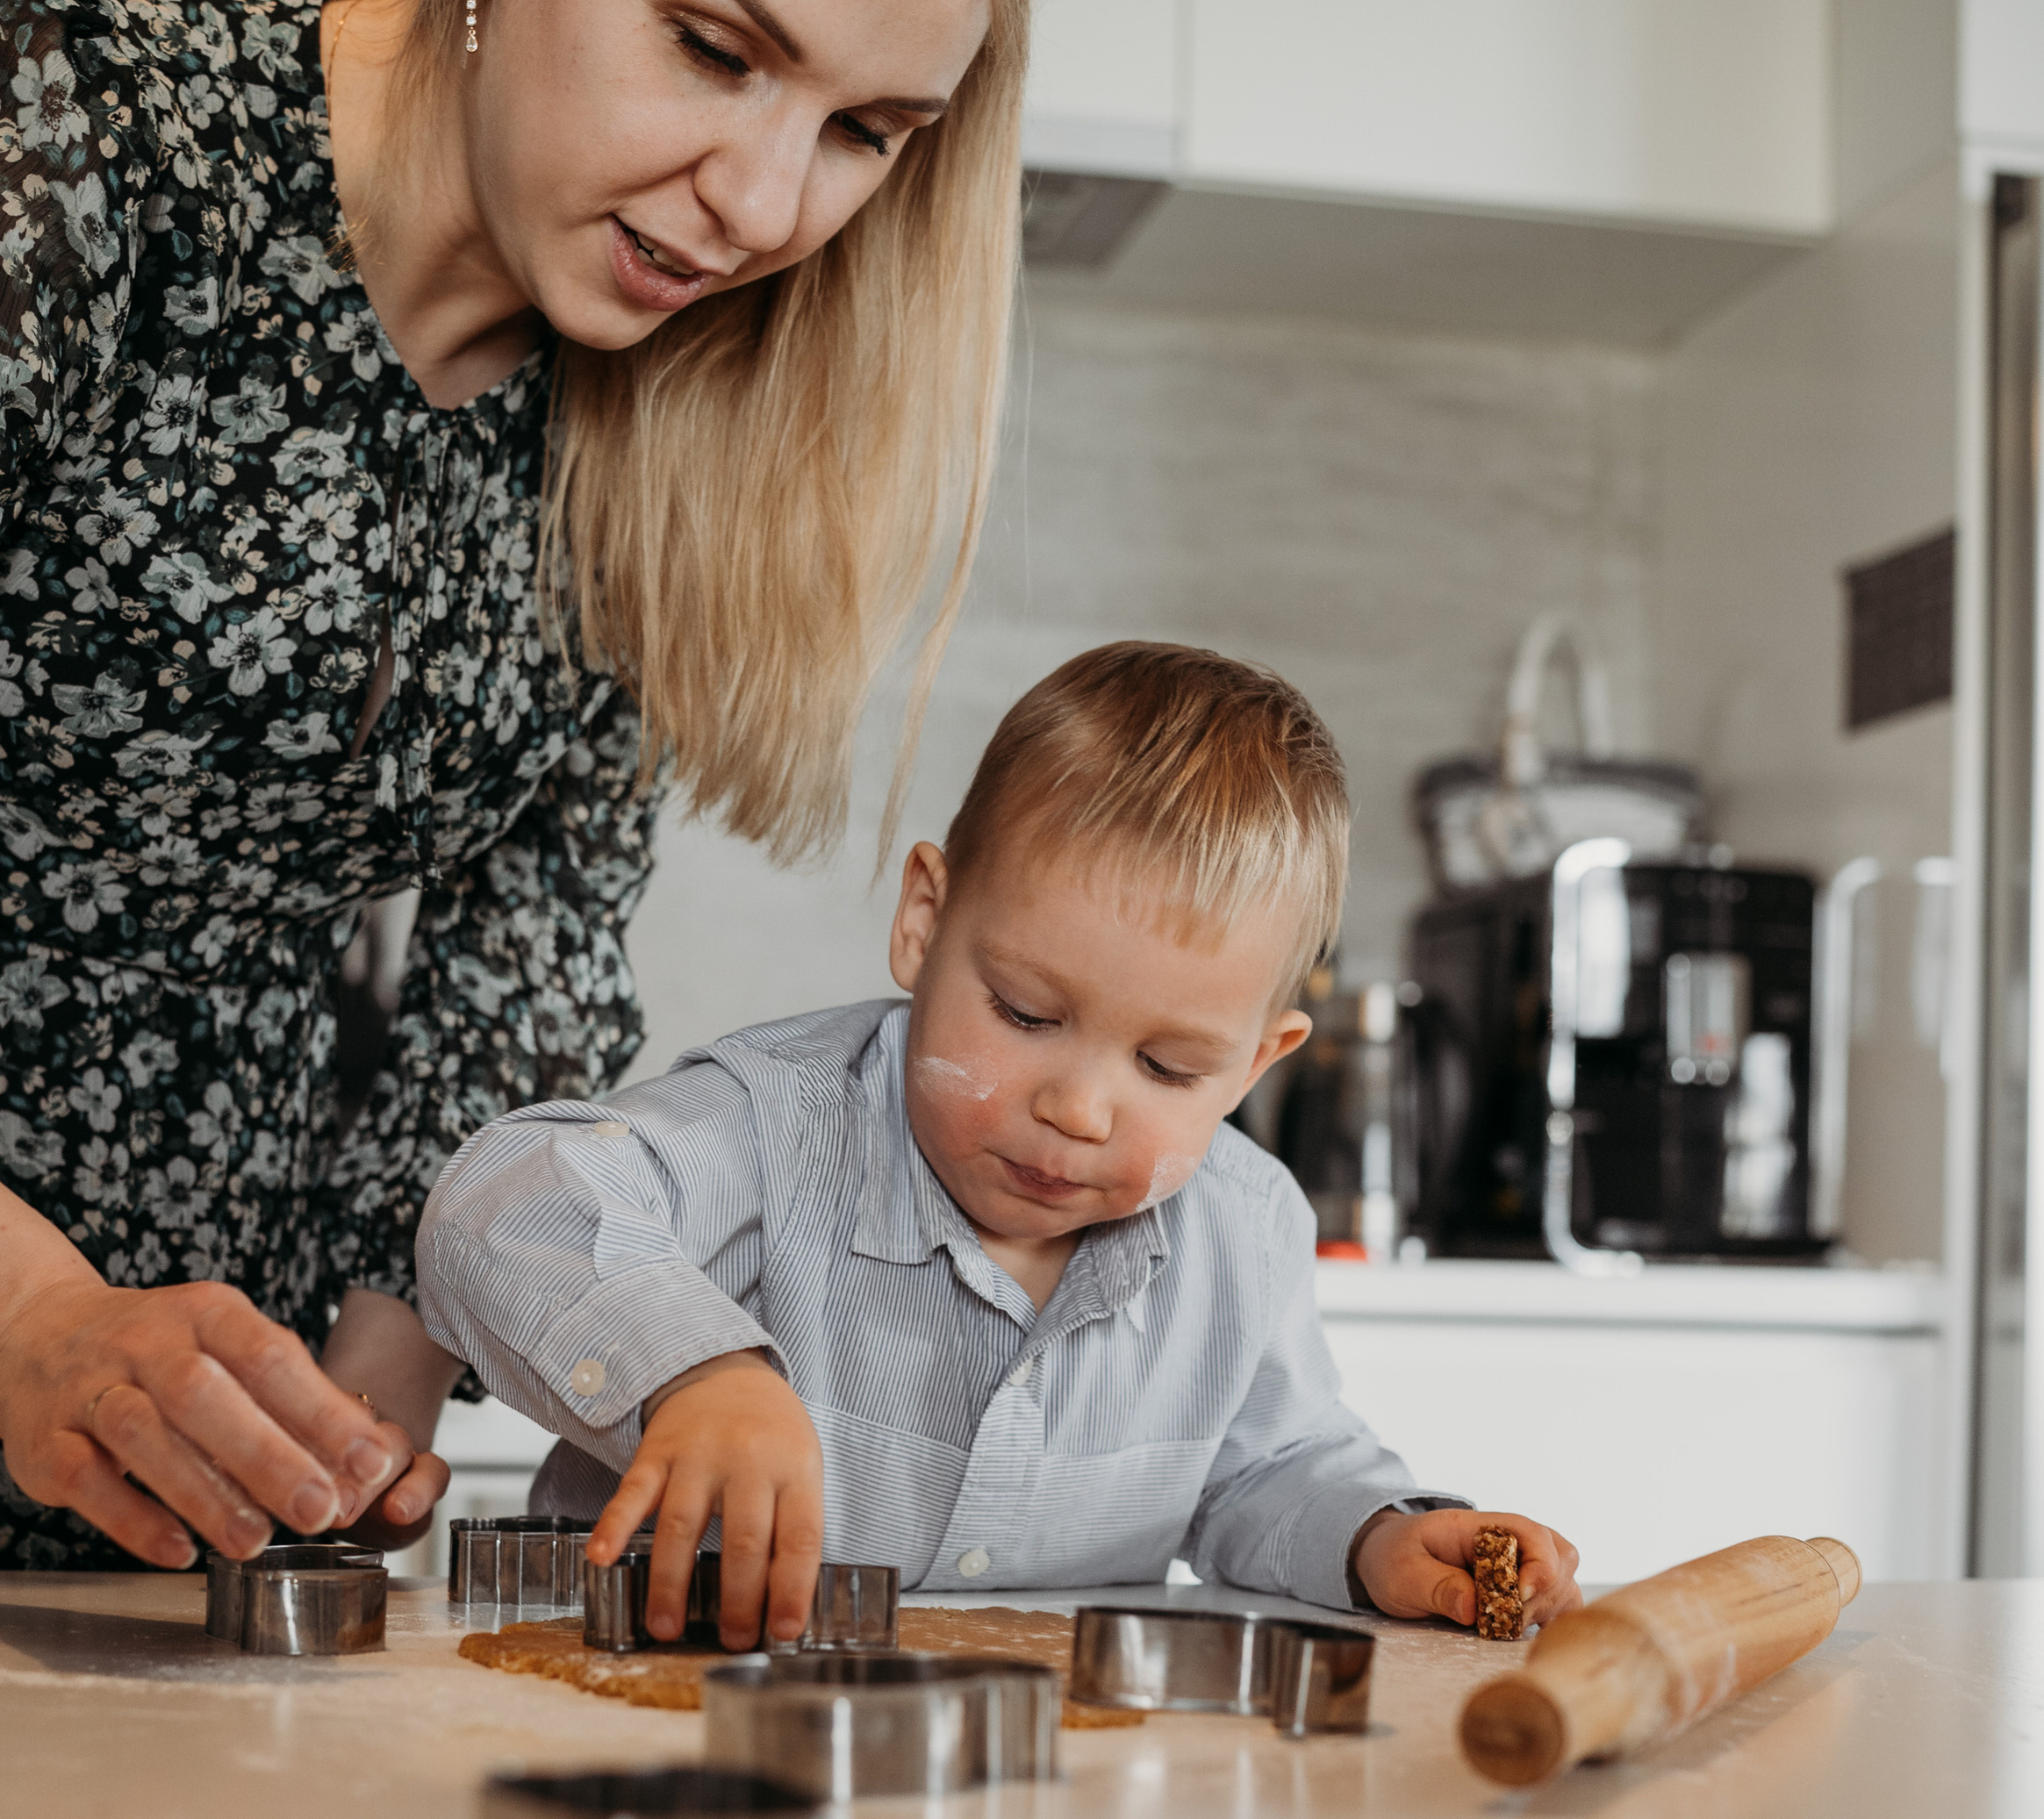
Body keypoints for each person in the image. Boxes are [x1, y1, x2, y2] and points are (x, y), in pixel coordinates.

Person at [0, 0, 1044, 1572]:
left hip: (204, 1510)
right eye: (713, 46)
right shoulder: (55, 126)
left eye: (863, 133)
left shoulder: (664, 410)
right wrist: (32, 1335)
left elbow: (515, 987)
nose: (760, 203)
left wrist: (334, 1458)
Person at [417, 643, 1581, 1649]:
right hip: (657, 1727)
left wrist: (1380, 1540)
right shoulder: (776, 1126)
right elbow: (502, 1202)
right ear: (924, 922)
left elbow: (1268, 1472)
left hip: (1017, 1790)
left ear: (1255, 1065)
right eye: (1026, 1013)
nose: (1079, 1109)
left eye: (1170, 1070)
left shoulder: (1247, 1227)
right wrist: (694, 1372)